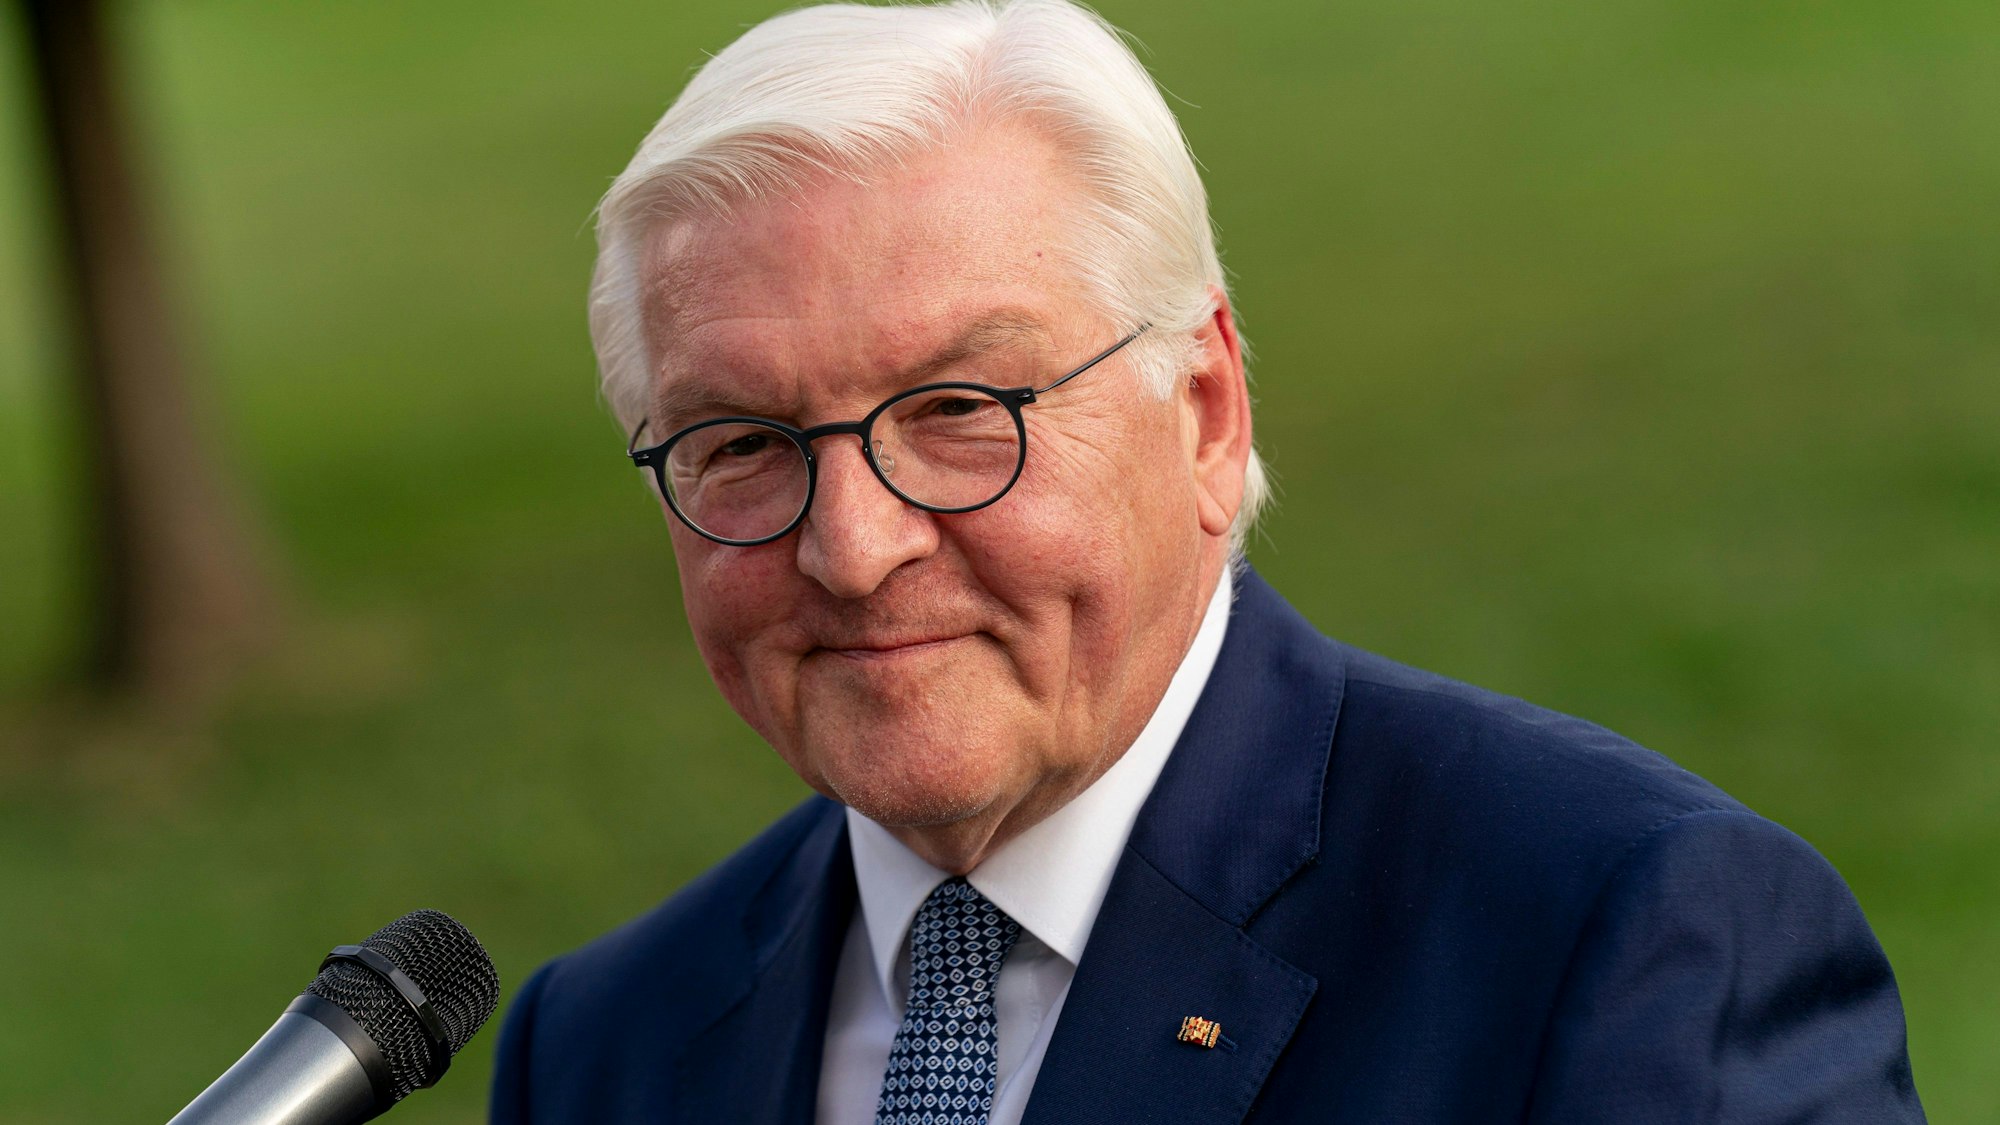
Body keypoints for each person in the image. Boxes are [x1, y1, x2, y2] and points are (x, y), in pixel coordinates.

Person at [488, 2, 1924, 1121]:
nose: (854, 549)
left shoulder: (1614, 941)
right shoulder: (605, 1044)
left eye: (957, 414)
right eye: (741, 443)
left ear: (1205, 414)